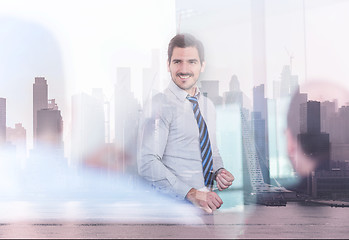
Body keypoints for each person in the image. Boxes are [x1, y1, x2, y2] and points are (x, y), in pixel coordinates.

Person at [138, 33, 234, 213]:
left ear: (202, 65)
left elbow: (211, 151)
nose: (184, 69)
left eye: (191, 62)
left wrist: (219, 171)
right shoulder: (159, 104)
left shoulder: (208, 106)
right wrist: (191, 193)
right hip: (172, 211)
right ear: (168, 65)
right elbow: (147, 163)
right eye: (177, 62)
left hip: (206, 207)